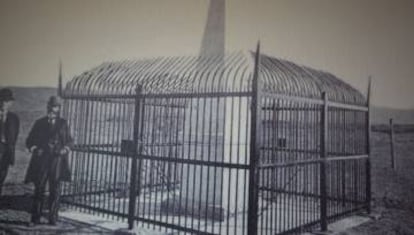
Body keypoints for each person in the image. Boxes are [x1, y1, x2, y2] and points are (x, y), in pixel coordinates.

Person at [25, 96, 73, 225]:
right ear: (47, 107)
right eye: (51, 106)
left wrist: (65, 149)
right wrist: (35, 149)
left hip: (57, 161)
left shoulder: (63, 123)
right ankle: (35, 218)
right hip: (41, 161)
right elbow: (29, 141)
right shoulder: (39, 123)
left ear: (58, 109)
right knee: (39, 188)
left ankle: (53, 218)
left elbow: (69, 141)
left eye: (55, 107)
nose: (53, 109)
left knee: (55, 189)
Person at [0, 88, 19, 195]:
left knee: (1, 178)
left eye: (7, 101)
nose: (4, 103)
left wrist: (10, 151)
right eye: (2, 100)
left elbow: (14, 138)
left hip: (6, 153)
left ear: (11, 103)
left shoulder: (14, 118)